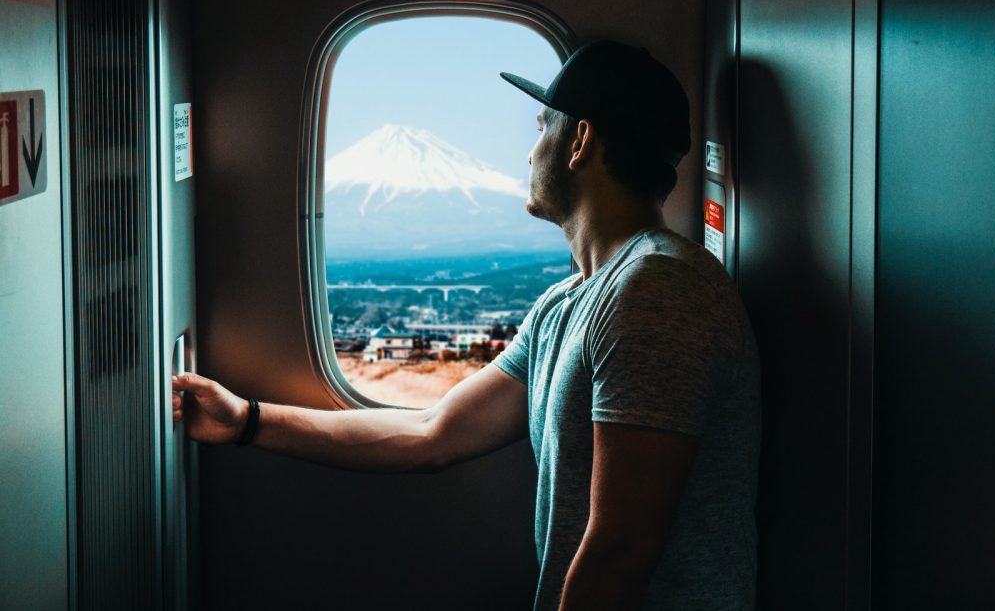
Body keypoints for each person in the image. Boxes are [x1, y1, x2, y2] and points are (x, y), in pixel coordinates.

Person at [172, 40, 761, 611]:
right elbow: (434, 433)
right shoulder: (569, 302)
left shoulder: (658, 292)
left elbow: (622, 547)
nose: (531, 154)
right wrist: (247, 420)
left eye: (540, 129)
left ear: (580, 141)